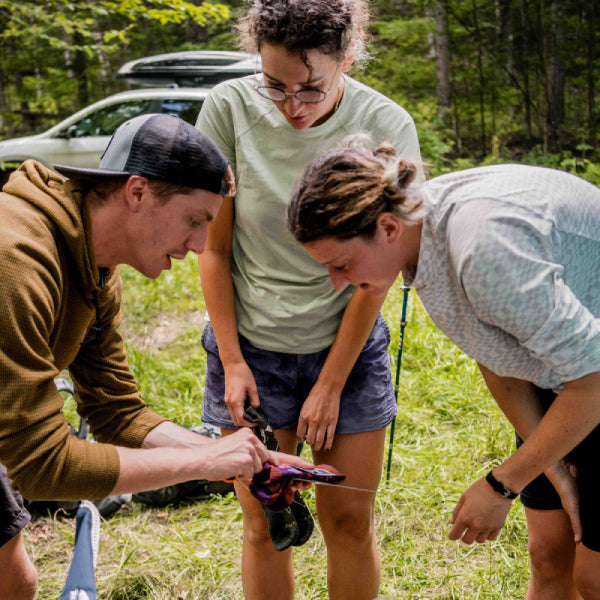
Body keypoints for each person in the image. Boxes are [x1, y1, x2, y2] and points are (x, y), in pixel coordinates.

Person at [0, 113, 310, 600]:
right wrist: (205, 460)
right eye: (194, 221)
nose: (201, 245)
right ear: (138, 192)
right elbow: (40, 467)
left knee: (14, 584)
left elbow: (116, 411)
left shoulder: (96, 264)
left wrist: (244, 461)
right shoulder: (16, 260)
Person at [287, 136, 600, 600]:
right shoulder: (422, 239)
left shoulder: (482, 250)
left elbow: (594, 380)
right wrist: (551, 468)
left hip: (589, 380)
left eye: (342, 264)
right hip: (564, 376)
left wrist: (501, 484)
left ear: (388, 227)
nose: (338, 284)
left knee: (592, 579)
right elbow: (497, 353)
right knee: (550, 556)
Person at [195, 1, 422, 598]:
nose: (293, 107)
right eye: (275, 85)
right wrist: (233, 361)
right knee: (266, 522)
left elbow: (379, 270)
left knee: (347, 520)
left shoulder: (388, 123)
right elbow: (213, 248)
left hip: (345, 348)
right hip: (251, 349)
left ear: (347, 59)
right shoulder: (227, 107)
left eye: (312, 89)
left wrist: (330, 383)